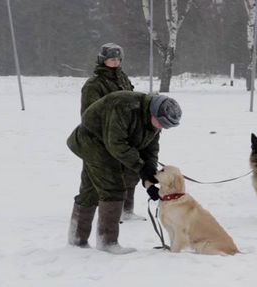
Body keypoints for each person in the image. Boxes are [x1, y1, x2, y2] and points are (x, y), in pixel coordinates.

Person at [66, 91, 182, 254]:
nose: (161, 127)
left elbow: (150, 149)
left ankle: (76, 240)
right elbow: (116, 143)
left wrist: (148, 178)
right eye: (161, 123)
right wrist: (141, 167)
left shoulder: (153, 121)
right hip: (93, 142)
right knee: (113, 187)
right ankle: (107, 242)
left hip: (108, 147)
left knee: (89, 190)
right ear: (154, 111)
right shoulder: (123, 105)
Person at [81, 43, 141, 221]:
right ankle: (109, 212)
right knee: (106, 176)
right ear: (103, 60)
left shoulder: (122, 77)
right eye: (111, 59)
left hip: (124, 132)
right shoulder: (94, 84)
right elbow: (89, 114)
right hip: (101, 137)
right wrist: (106, 133)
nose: (115, 63)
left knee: (130, 171)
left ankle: (127, 210)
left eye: (117, 59)